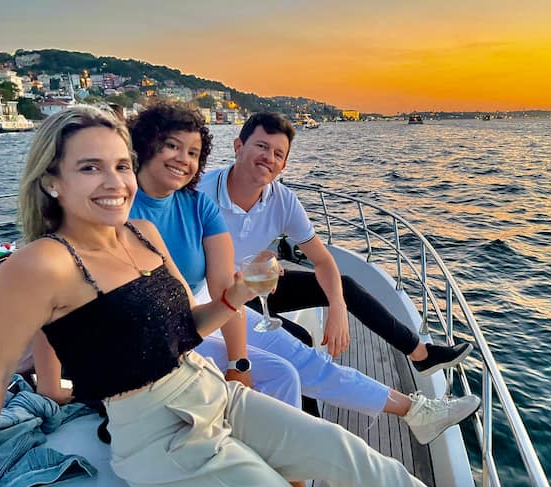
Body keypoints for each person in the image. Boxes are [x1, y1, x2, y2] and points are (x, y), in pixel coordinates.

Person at [0, 106, 550, 487]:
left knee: (347, 452)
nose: (114, 181)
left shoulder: (143, 235)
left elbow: (187, 328)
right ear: (52, 180)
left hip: (209, 389)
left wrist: (238, 294)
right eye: (89, 167)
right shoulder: (41, 263)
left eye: (120, 165)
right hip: (157, 436)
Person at [198, 111, 473, 375]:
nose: (269, 158)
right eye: (261, 146)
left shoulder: (283, 200)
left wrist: (337, 307)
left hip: (253, 284)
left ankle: (421, 355)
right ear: (238, 147)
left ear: (283, 166)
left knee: (345, 286)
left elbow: (322, 261)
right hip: (212, 295)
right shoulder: (199, 193)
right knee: (300, 340)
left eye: (278, 154)